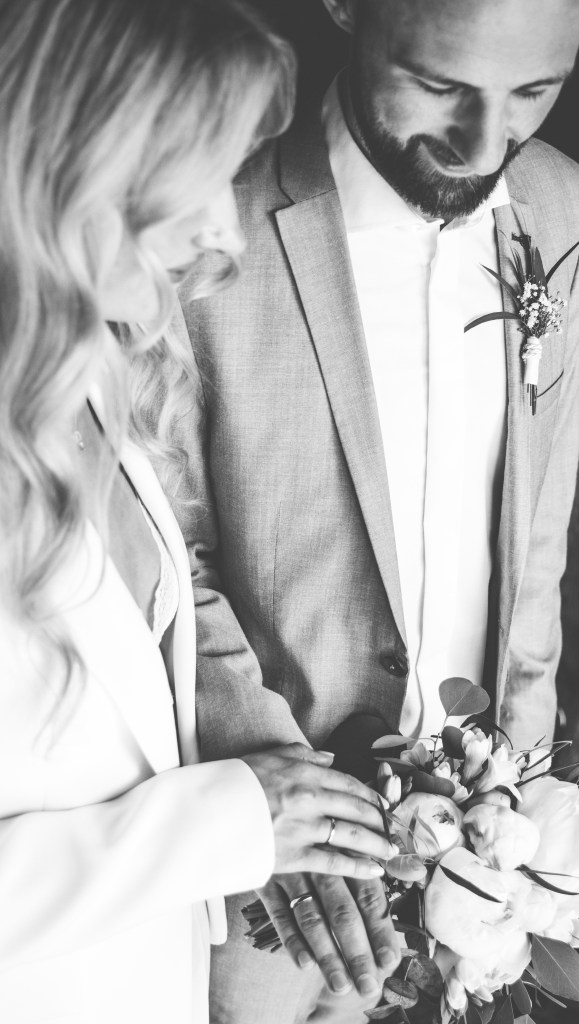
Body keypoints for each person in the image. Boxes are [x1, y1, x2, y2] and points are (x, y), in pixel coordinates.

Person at [174, 0, 579, 1020]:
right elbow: (164, 545)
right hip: (262, 866)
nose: (484, 145)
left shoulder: (560, 204)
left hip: (474, 861)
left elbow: (536, 534)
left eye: (532, 92)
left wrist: (517, 806)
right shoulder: (203, 200)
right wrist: (262, 791)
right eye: (441, 85)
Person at [0, 2, 397, 1023]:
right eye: (200, 175)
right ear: (75, 156)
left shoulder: (91, 396)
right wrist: (226, 823)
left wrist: (268, 843)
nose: (226, 232)